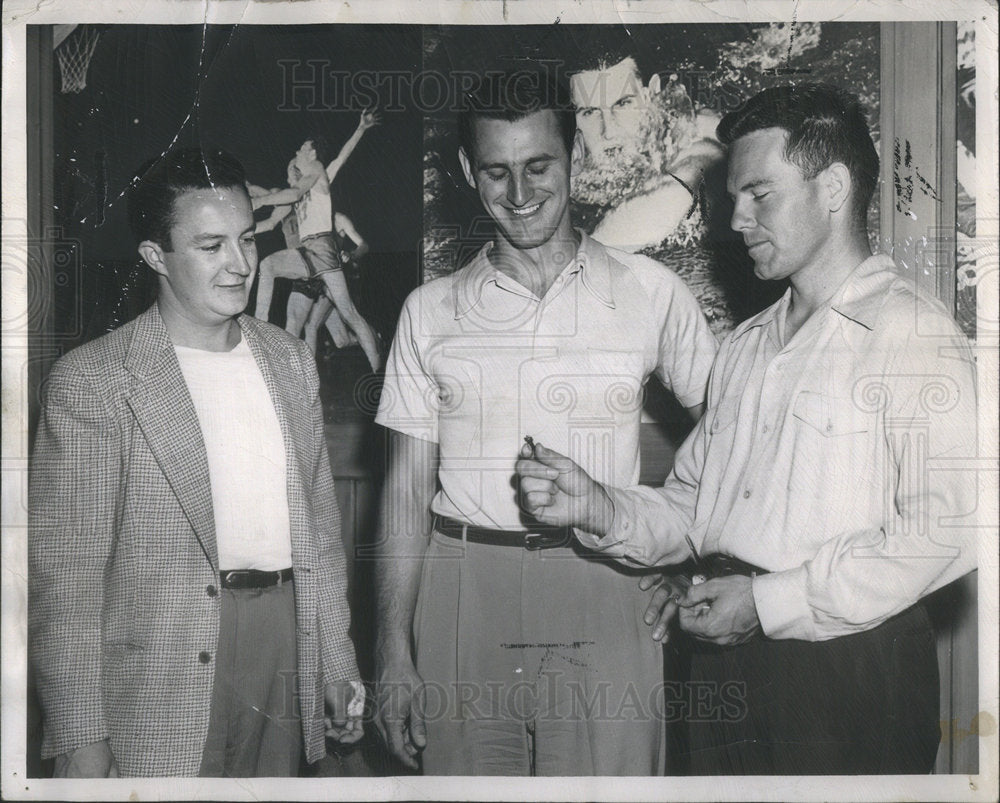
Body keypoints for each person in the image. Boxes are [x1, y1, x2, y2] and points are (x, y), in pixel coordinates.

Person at [517, 82, 978, 774]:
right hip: (725, 663)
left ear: (833, 187)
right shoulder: (744, 347)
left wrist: (766, 603)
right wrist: (598, 503)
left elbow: (951, 529)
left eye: (759, 194)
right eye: (733, 197)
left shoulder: (912, 333)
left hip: (851, 672)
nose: (736, 219)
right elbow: (694, 508)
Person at [372, 70, 718, 775]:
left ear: (576, 159)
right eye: (497, 172)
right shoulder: (429, 310)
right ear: (469, 171)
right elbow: (405, 492)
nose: (521, 195)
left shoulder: (651, 292)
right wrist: (390, 651)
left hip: (605, 580)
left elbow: (735, 437)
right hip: (464, 589)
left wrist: (697, 564)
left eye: (539, 167)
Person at [29, 147, 363, 777]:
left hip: (282, 646)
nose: (241, 264)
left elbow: (320, 533)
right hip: (156, 666)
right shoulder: (93, 380)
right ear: (157, 257)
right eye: (212, 247)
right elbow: (65, 580)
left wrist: (335, 660)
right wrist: (78, 733)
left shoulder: (290, 361)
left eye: (246, 239)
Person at [250, 109, 382, 372]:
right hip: (310, 253)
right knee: (272, 273)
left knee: (348, 316)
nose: (298, 152)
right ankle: (265, 336)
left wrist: (261, 200)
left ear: (311, 154)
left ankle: (379, 370)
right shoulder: (301, 190)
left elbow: (331, 164)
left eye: (302, 148)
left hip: (321, 248)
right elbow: (284, 200)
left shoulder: (318, 169)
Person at [568, 49, 725, 253]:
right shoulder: (567, 156)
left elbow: (676, 190)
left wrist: (590, 259)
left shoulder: (690, 134)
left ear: (649, 93)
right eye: (589, 112)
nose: (609, 131)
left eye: (623, 104)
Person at [284, 212, 371, 355]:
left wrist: (352, 254)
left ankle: (308, 375)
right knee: (341, 341)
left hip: (331, 282)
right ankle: (375, 339)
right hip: (312, 281)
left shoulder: (340, 219)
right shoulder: (308, 217)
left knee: (310, 326)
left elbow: (364, 245)